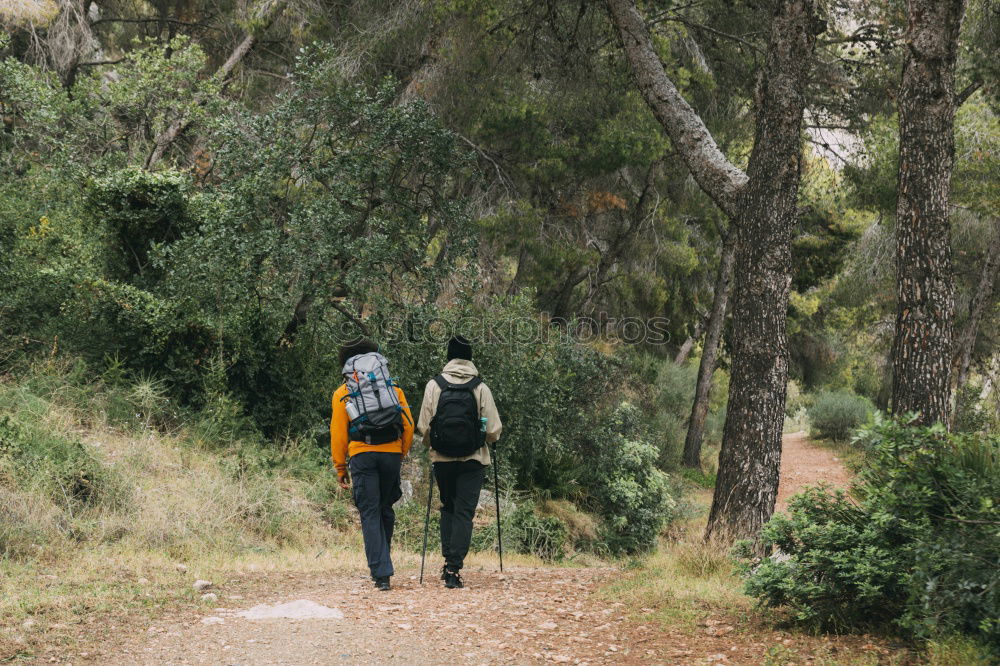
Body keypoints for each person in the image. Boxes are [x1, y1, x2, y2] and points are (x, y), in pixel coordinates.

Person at [416, 335, 502, 589]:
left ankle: (447, 561)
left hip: (442, 459)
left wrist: (434, 445)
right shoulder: (480, 388)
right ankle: (454, 568)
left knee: (448, 508)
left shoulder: (435, 385)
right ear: (470, 358)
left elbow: (423, 426)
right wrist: (483, 438)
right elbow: (494, 429)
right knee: (464, 512)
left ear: (449, 357)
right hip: (472, 460)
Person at [331, 337, 414, 591]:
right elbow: (408, 425)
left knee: (369, 512)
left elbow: (338, 433)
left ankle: (381, 573)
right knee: (385, 507)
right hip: (390, 453)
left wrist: (340, 467)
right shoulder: (391, 386)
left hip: (362, 455)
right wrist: (398, 453)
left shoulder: (344, 392)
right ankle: (382, 563)